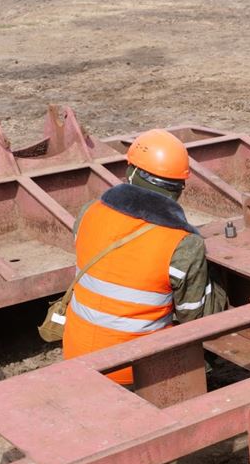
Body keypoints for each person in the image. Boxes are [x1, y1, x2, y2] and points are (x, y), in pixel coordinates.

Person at [63, 129, 226, 386]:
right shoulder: (182, 244)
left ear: (131, 172)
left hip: (75, 356)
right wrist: (216, 282)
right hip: (135, 372)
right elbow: (198, 322)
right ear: (180, 186)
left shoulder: (88, 213)